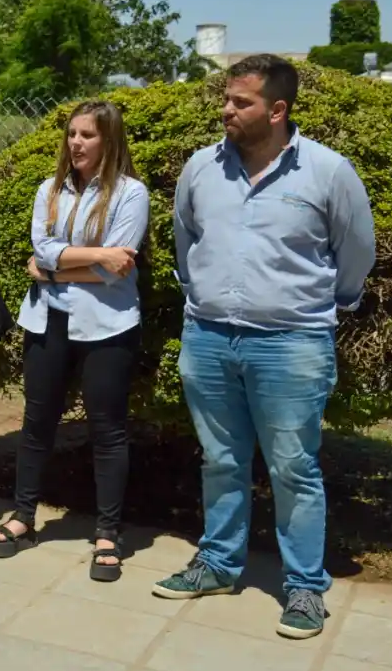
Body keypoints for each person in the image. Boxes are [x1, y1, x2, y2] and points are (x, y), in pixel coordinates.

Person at [152, 55, 376, 639]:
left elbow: (356, 253)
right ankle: (219, 564)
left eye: (240, 102)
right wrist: (203, 297)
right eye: (227, 99)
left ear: (277, 110)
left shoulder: (328, 172)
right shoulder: (201, 168)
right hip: (209, 338)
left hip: (292, 344)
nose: (226, 110)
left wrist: (329, 305)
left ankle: (304, 587)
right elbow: (186, 242)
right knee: (221, 460)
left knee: (292, 467)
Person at [0, 100, 148, 582]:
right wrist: (93, 257)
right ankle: (23, 517)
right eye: (72, 133)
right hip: (47, 321)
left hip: (108, 326)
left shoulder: (131, 194)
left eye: (87, 135)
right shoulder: (48, 191)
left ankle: (107, 533)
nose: (76, 142)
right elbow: (46, 250)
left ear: (109, 140)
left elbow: (114, 270)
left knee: (108, 431)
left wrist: (56, 267)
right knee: (37, 424)